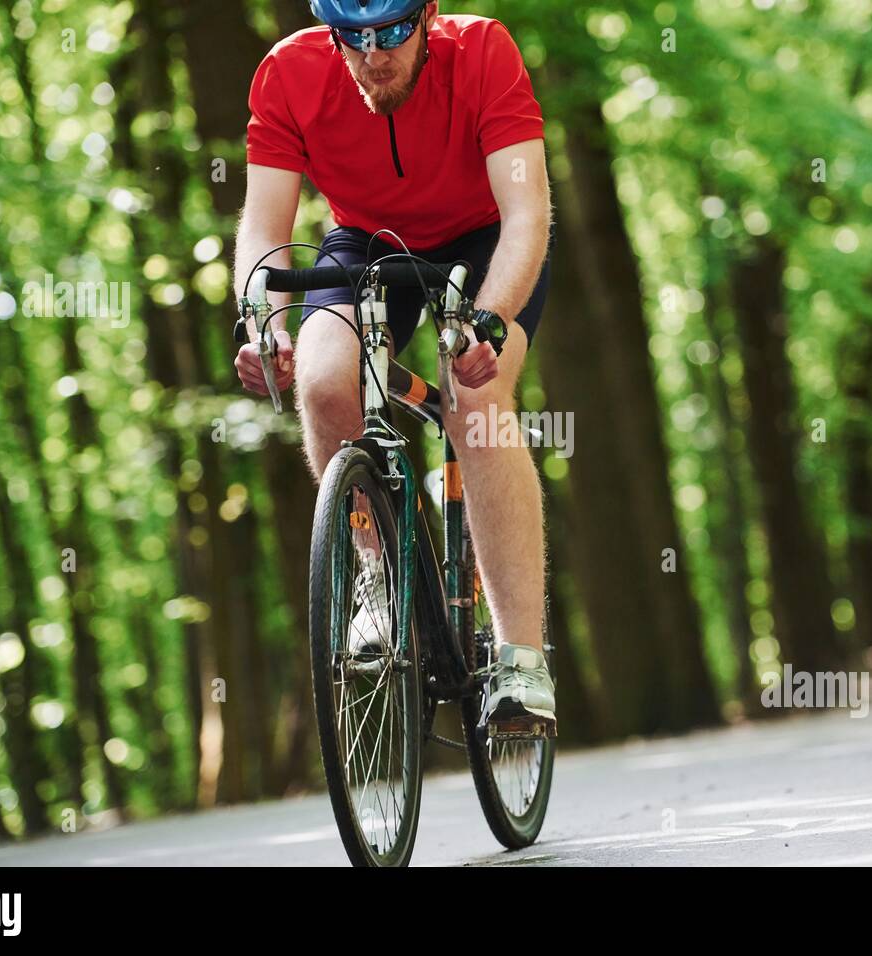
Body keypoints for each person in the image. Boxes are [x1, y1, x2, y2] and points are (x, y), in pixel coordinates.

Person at [233, 0, 556, 736]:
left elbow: (527, 214)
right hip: (367, 240)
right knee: (321, 382)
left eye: (392, 33)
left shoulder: (483, 52)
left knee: (475, 403)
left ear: (428, 15)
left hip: (484, 243)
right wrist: (265, 325)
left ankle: (522, 661)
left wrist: (490, 323)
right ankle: (378, 585)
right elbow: (263, 225)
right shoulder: (288, 72)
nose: (373, 54)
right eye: (353, 36)